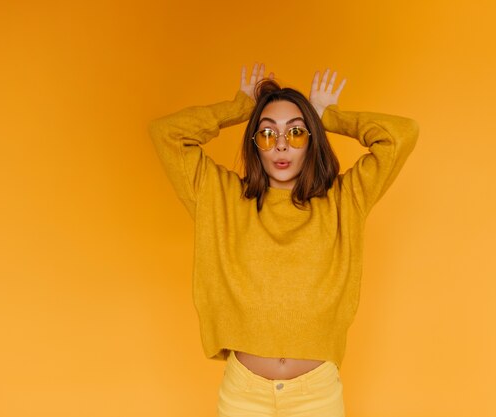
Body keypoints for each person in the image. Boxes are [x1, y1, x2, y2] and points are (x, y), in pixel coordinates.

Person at [149, 63, 418, 417]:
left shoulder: (343, 200)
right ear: (254, 144)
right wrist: (240, 109)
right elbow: (165, 133)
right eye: (265, 133)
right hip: (244, 394)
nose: (280, 145)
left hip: (316, 395)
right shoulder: (220, 196)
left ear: (312, 140)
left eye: (296, 133)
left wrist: (329, 117)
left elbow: (402, 135)